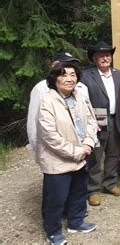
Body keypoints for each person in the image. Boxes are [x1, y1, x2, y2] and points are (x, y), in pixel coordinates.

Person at [37, 62, 98, 244]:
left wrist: (88, 143)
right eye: (64, 75)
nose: (69, 79)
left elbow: (91, 120)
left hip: (82, 153)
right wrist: (76, 151)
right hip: (58, 159)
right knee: (56, 198)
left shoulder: (79, 96)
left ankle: (76, 222)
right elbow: (49, 136)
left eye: (73, 74)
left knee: (79, 191)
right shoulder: (48, 101)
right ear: (55, 79)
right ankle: (53, 231)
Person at [81, 41, 120, 207]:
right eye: (101, 56)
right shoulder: (86, 76)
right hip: (97, 122)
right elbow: (82, 101)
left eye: (107, 55)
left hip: (116, 119)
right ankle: (93, 190)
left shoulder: (118, 74)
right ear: (94, 59)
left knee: (114, 154)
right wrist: (89, 122)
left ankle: (110, 183)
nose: (105, 58)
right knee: (96, 156)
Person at [27, 52, 90, 155]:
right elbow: (33, 121)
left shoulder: (82, 88)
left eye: (72, 64)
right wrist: (37, 148)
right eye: (65, 64)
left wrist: (89, 143)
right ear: (54, 66)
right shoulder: (41, 88)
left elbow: (89, 117)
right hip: (54, 149)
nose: (69, 68)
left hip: (81, 146)